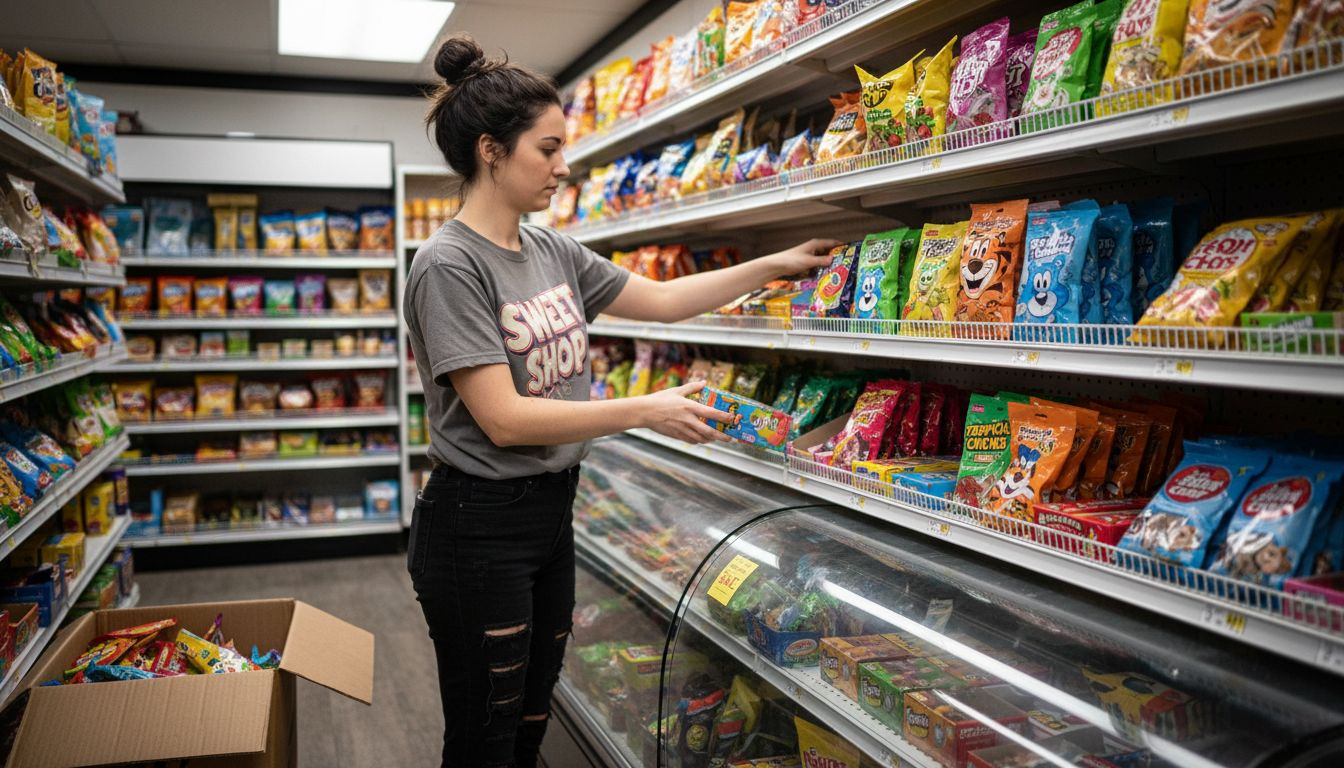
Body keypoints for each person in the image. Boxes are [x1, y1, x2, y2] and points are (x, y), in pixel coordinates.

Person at [405, 34, 839, 768]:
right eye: (548, 149)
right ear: (490, 151)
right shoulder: (448, 265)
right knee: (484, 734)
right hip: (476, 528)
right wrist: (644, 408)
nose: (563, 166)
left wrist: (775, 263)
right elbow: (504, 419)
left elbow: (664, 301)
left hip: (549, 514)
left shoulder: (551, 251)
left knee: (529, 720)